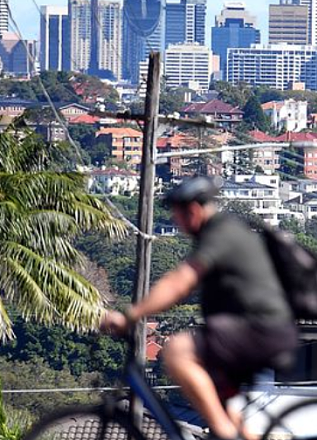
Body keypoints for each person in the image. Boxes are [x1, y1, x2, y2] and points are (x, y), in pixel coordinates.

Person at [101, 176, 298, 440]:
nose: (176, 223)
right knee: (220, 401)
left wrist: (131, 315)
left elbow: (179, 283)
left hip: (262, 329)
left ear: (192, 210)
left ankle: (223, 432)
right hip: (260, 330)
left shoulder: (220, 232)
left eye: (177, 216)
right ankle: (237, 433)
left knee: (177, 350)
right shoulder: (220, 231)